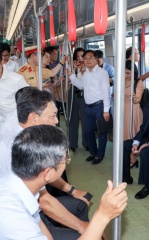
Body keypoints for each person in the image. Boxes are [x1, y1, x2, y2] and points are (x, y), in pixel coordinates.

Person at [0, 125, 127, 240]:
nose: (66, 163)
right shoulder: (13, 217)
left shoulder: (23, 185)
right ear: (48, 173)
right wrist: (103, 215)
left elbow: (43, 230)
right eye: (65, 159)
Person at [0, 87, 92, 239]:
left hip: (35, 213)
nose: (56, 121)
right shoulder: (19, 150)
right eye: (53, 116)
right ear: (33, 118)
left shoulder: (27, 136)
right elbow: (44, 201)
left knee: (80, 206)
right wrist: (88, 225)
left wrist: (72, 190)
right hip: (24, 217)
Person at [68, 50, 111, 165]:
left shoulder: (102, 73)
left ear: (95, 59)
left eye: (90, 58)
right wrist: (71, 76)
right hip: (88, 107)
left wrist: (106, 110)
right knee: (88, 131)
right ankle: (93, 152)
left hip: (99, 106)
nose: (87, 60)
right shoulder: (86, 73)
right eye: (85, 58)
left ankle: (100, 155)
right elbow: (81, 85)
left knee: (101, 133)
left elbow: (106, 92)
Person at [0, 45, 29, 125]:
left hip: (14, 123)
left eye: (6, 55)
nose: (5, 58)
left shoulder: (17, 79)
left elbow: (29, 98)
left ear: (1, 63)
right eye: (3, 55)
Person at [124, 60, 144, 167]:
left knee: (131, 134)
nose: (126, 75)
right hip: (122, 111)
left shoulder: (138, 82)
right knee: (123, 134)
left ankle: (133, 159)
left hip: (132, 111)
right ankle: (125, 157)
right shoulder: (120, 81)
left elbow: (138, 99)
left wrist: (134, 98)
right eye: (124, 72)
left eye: (128, 73)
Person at [68, 47, 88, 152]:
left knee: (85, 119)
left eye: (82, 56)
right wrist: (74, 69)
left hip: (84, 94)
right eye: (77, 56)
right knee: (72, 118)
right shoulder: (71, 67)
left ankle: (87, 143)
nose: (80, 59)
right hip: (73, 93)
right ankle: (73, 143)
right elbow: (67, 81)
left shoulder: (89, 67)